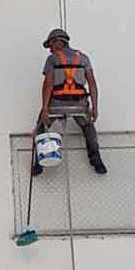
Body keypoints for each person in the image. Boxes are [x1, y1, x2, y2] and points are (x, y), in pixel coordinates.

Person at [33, 28, 107, 176]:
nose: (50, 50)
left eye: (51, 46)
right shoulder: (84, 58)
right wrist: (95, 107)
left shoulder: (52, 60)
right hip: (79, 104)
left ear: (58, 42)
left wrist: (45, 109)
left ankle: (39, 163)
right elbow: (92, 83)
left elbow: (48, 84)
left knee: (40, 126)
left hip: (57, 103)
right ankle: (96, 159)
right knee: (88, 127)